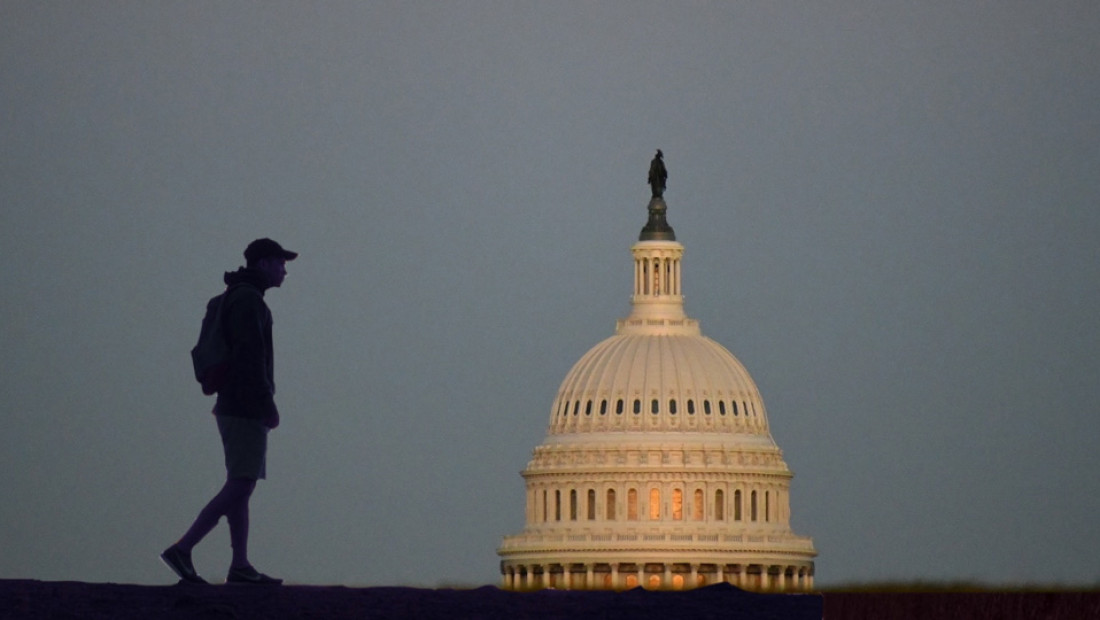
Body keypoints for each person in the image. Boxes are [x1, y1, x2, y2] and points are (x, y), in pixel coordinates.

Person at [161, 238, 298, 585]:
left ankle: (240, 565)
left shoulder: (238, 297)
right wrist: (268, 402)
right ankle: (183, 548)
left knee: (242, 482)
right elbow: (250, 356)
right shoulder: (249, 300)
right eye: (280, 263)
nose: (284, 270)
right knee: (242, 482)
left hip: (232, 403)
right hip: (244, 404)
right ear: (263, 264)